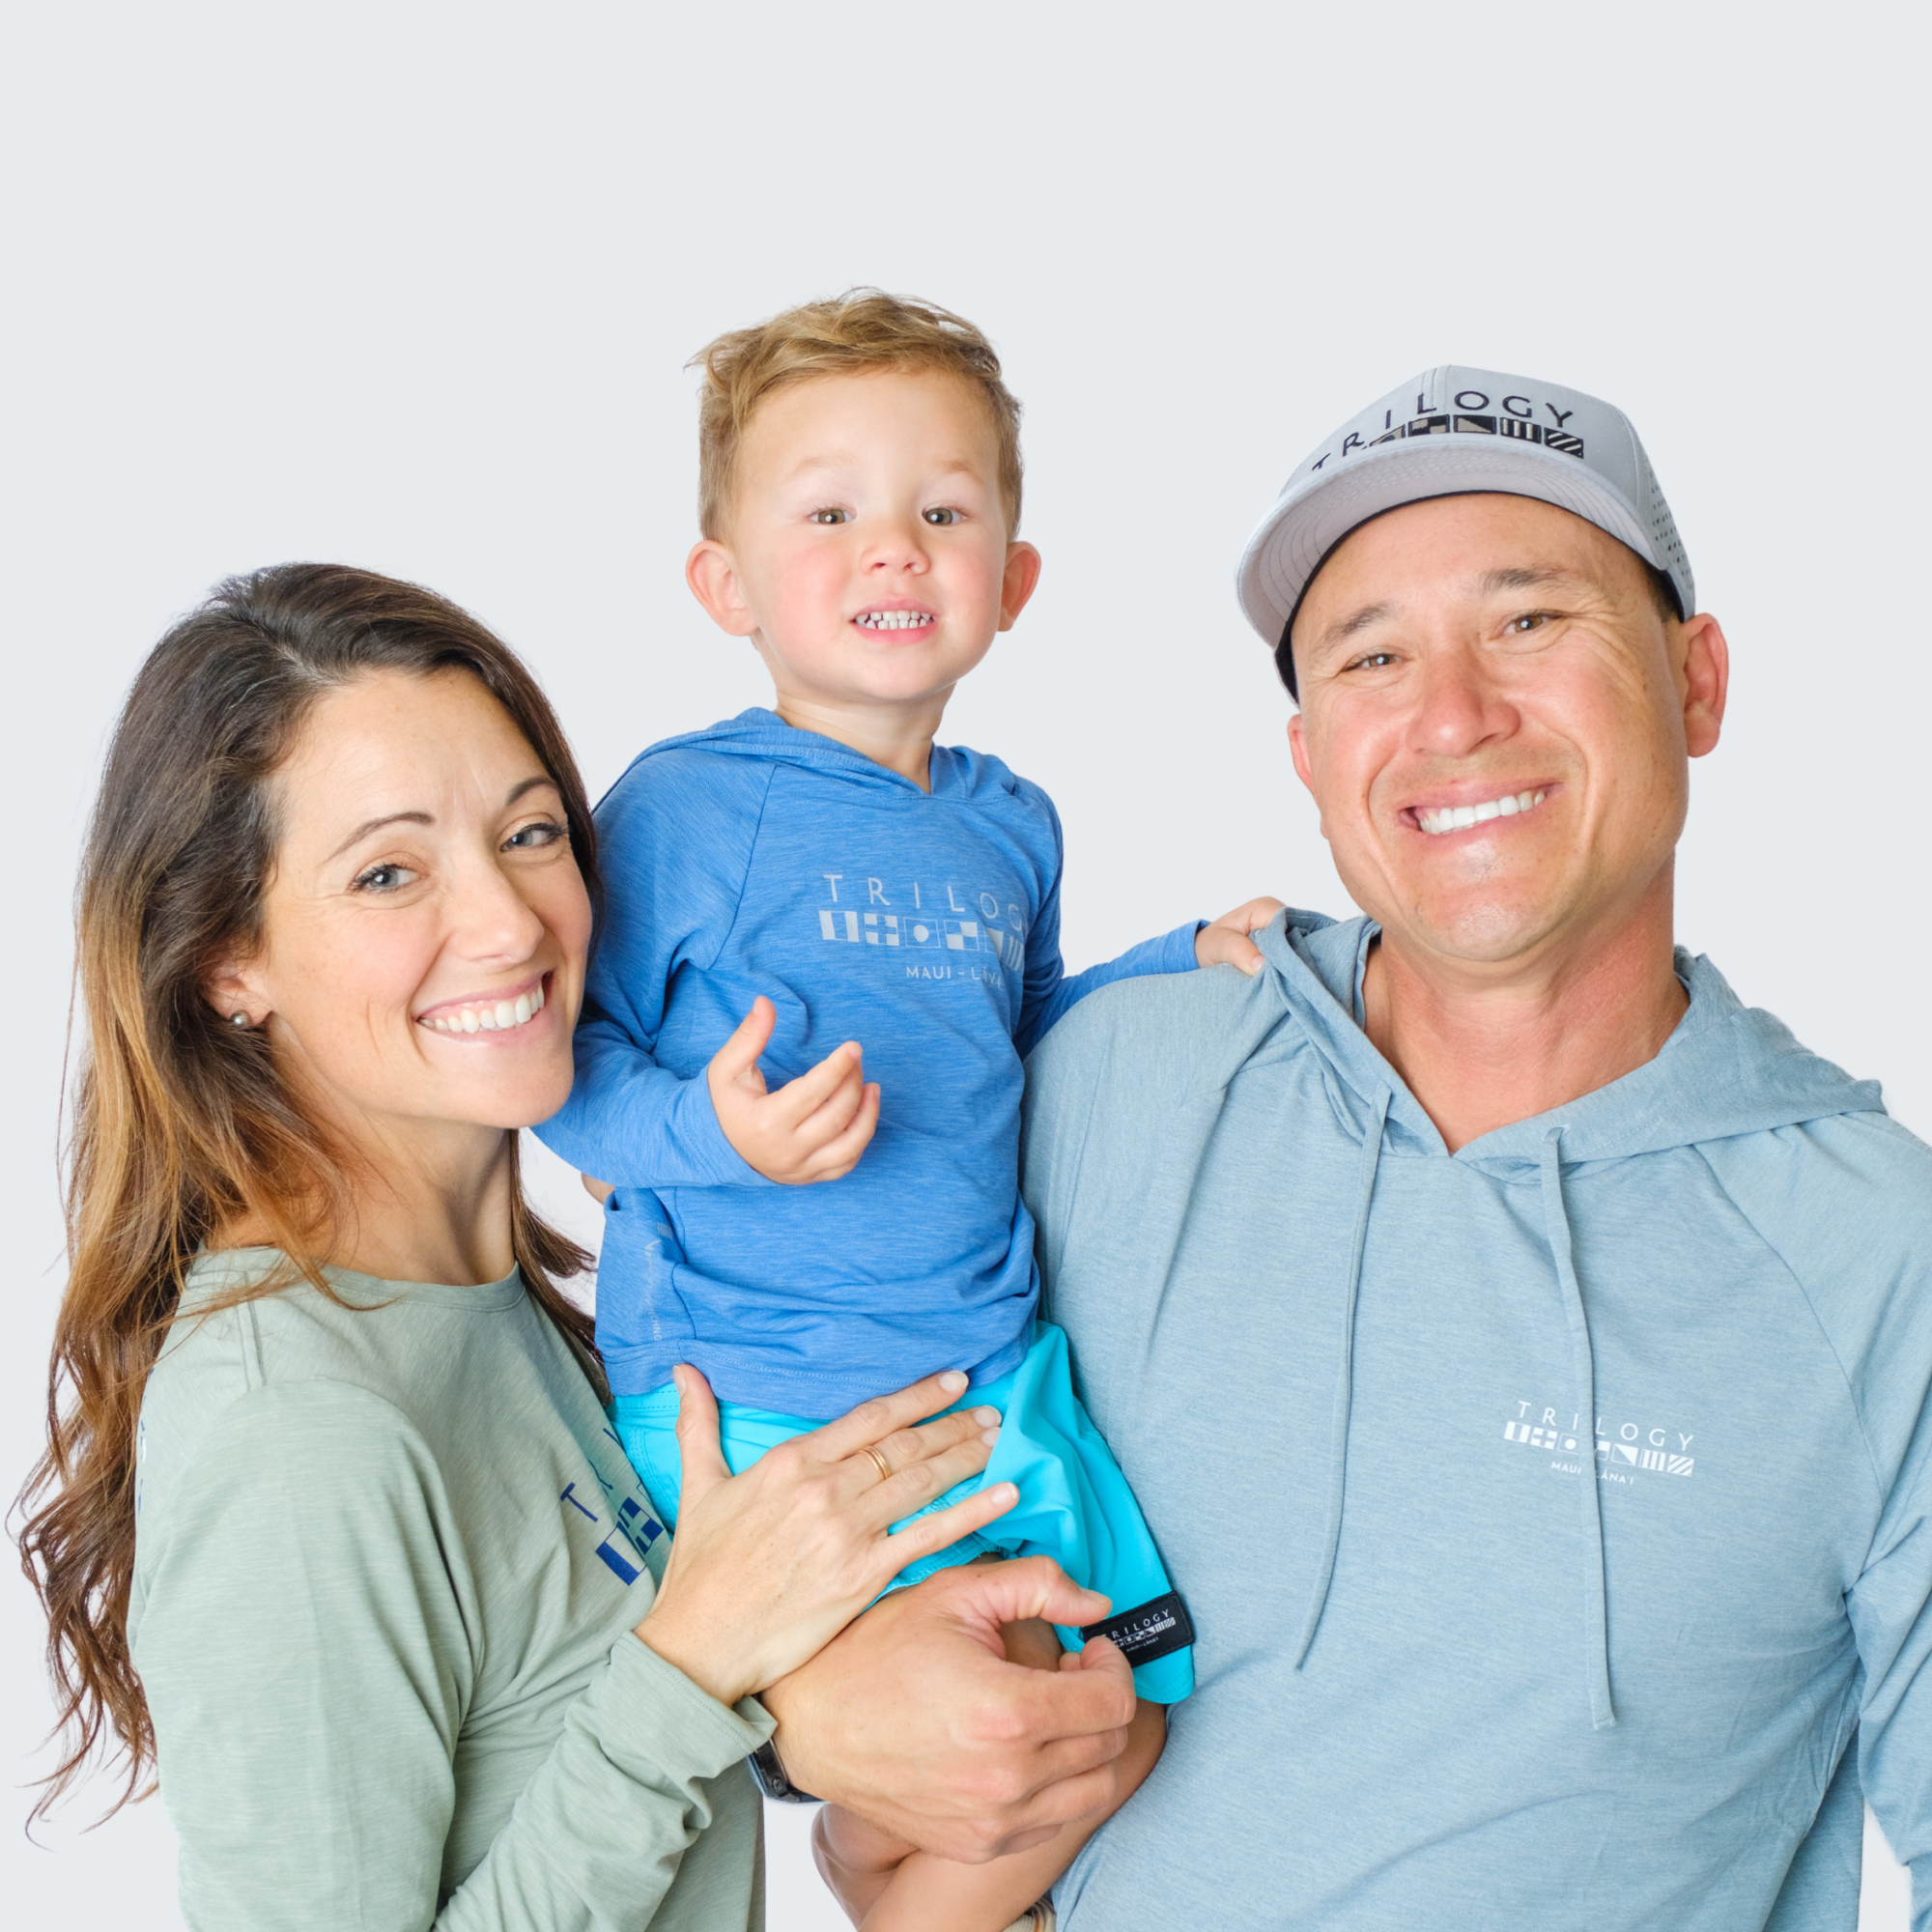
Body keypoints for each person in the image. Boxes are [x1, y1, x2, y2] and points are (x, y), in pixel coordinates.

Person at [14, 563, 1139, 1931]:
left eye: (531, 832)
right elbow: (653, 1701)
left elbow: (572, 1744)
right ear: (226, 963)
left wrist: (792, 1709)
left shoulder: (525, 1309)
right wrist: (700, 1665)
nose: (507, 924)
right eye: (387, 872)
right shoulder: (295, 1429)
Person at [1014, 366, 1932, 1927]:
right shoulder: (1108, 1082)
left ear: (1697, 684)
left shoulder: (1878, 1260)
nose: (1452, 715)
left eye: (1529, 620)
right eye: (1373, 655)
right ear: (1311, 757)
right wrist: (818, 1732)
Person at [535, 291, 1278, 1932]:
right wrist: (714, 1138)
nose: (893, 548)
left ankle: (884, 1883)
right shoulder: (684, 808)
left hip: (983, 1373)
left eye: (943, 512)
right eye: (830, 513)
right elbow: (558, 1069)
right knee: (987, 1726)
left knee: (1123, 1706)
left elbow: (1015, 1032)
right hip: (766, 1401)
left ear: (1013, 578)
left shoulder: (1014, 824)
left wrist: (1175, 958)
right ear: (725, 583)